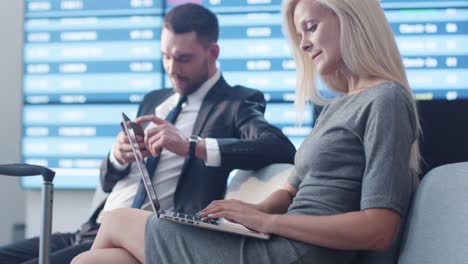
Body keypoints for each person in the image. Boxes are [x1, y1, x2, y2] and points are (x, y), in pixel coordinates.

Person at [71, 0, 422, 263]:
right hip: (279, 242)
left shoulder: (385, 99)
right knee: (90, 260)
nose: (303, 44)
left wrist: (268, 221)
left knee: (117, 221)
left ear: (351, 18)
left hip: (295, 253)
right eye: (300, 34)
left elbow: (379, 228)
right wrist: (244, 215)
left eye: (311, 27)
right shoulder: (335, 107)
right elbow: (290, 191)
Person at [0, 3, 296, 264]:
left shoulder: (234, 103)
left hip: (139, 235)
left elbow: (280, 147)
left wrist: (192, 146)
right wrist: (118, 156)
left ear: (213, 52)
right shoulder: (154, 100)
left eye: (183, 59)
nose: (171, 68)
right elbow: (107, 180)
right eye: (165, 57)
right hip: (90, 229)